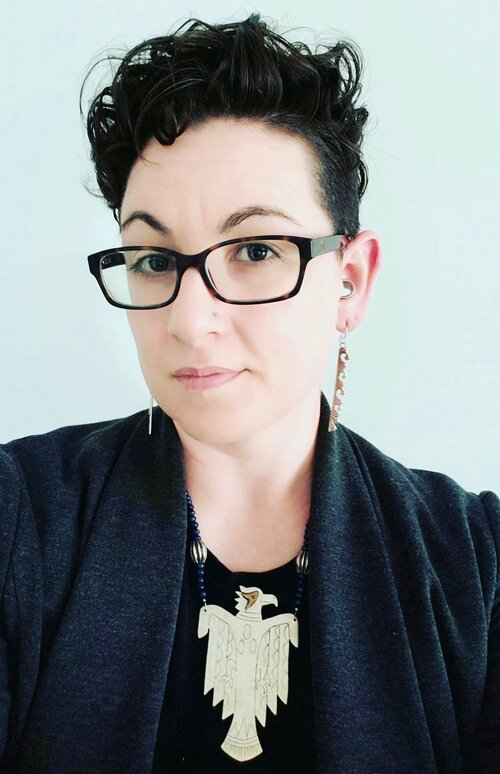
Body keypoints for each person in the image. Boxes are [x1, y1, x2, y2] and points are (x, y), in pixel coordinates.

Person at [0, 13, 498, 774]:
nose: (190, 321)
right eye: (153, 258)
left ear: (350, 283)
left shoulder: (476, 565)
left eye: (258, 250)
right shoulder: (16, 521)